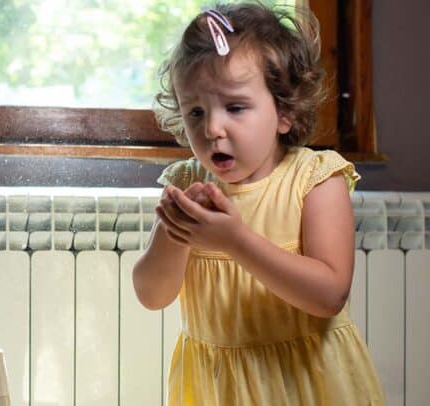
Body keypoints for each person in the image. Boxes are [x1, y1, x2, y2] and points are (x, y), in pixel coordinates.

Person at [132, 2, 384, 405]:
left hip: (306, 385)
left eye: (234, 107)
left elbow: (330, 295)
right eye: (195, 111)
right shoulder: (185, 185)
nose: (212, 128)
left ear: (284, 111)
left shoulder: (316, 180)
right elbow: (151, 295)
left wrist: (236, 241)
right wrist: (174, 232)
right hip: (218, 388)